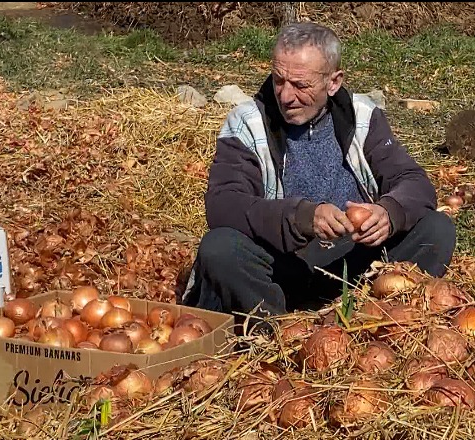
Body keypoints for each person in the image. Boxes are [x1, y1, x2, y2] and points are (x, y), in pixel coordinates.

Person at [179, 21, 456, 322]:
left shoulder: (363, 116)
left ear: (333, 82)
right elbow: (224, 204)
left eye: (300, 85)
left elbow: (413, 182)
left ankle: (362, 319)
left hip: (354, 260)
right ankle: (278, 332)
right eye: (279, 80)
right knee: (220, 248)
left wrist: (389, 213)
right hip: (282, 264)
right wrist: (301, 218)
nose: (285, 96)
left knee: (436, 229)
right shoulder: (247, 123)